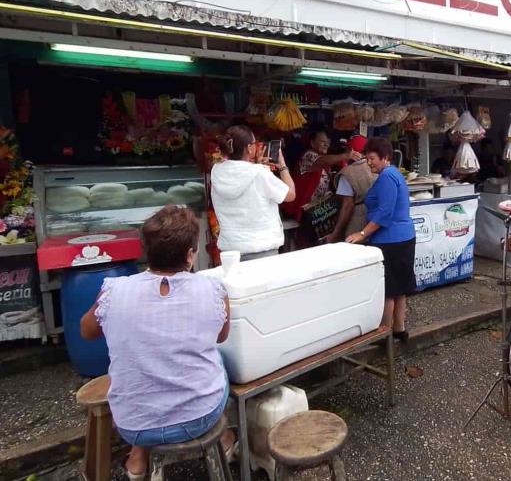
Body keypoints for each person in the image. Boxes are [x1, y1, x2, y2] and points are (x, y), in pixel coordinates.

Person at [80, 206, 235, 479]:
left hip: (133, 424)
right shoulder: (211, 288)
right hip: (197, 418)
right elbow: (221, 337)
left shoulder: (115, 290)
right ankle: (226, 439)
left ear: (145, 251)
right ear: (189, 256)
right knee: (219, 359)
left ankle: (138, 455)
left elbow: (87, 331)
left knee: (143, 363)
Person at [346, 138, 416, 342]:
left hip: (390, 240)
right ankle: (399, 329)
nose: (369, 163)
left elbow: (384, 213)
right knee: (401, 287)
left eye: (373, 159)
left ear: (385, 158)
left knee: (389, 289)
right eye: (367, 159)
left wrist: (362, 234)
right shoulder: (394, 174)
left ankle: (384, 333)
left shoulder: (386, 177)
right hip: (404, 237)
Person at [211, 126, 295, 261]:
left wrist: (257, 166)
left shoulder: (216, 171)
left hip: (230, 252)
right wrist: (283, 166)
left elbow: (241, 175)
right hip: (260, 250)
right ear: (249, 148)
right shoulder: (258, 173)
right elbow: (290, 194)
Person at [324, 135, 377, 243]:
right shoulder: (377, 167)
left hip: (357, 223)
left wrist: (335, 234)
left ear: (352, 151)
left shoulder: (348, 173)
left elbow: (347, 206)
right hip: (375, 222)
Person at [297, 129, 361, 202]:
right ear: (312, 143)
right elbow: (321, 160)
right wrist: (345, 156)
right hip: (306, 205)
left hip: (321, 205)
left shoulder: (324, 158)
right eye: (323, 142)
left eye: (328, 142)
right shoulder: (308, 155)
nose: (326, 145)